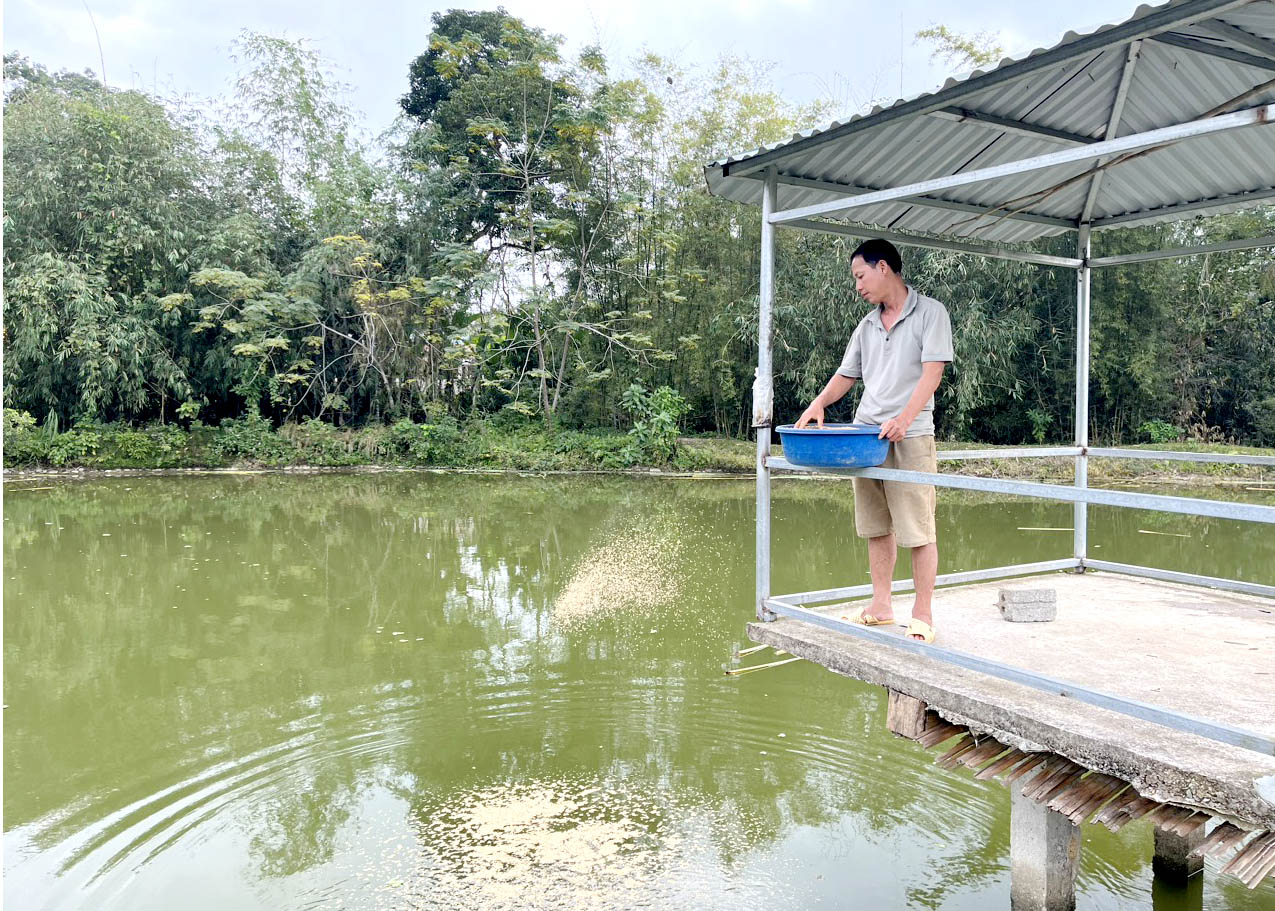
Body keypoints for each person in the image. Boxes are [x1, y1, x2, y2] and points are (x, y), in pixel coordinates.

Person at [795, 239, 953, 643]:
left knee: (918, 528)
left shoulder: (931, 313)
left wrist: (904, 418)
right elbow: (847, 375)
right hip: (867, 438)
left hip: (911, 436)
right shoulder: (866, 325)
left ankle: (923, 615)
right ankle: (881, 606)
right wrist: (818, 404)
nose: (858, 286)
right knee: (875, 527)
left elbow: (932, 374)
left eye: (860, 276)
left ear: (883, 267)